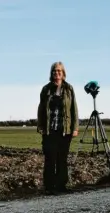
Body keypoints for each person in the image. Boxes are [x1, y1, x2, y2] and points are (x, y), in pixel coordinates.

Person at [37, 61, 79, 195]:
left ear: (63, 74)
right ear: (51, 73)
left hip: (64, 129)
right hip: (50, 130)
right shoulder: (46, 89)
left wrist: (75, 128)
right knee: (50, 157)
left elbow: (74, 109)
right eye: (54, 71)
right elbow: (41, 109)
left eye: (59, 71)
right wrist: (40, 126)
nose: (57, 73)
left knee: (62, 158)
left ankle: (61, 185)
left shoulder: (69, 89)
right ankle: (50, 186)